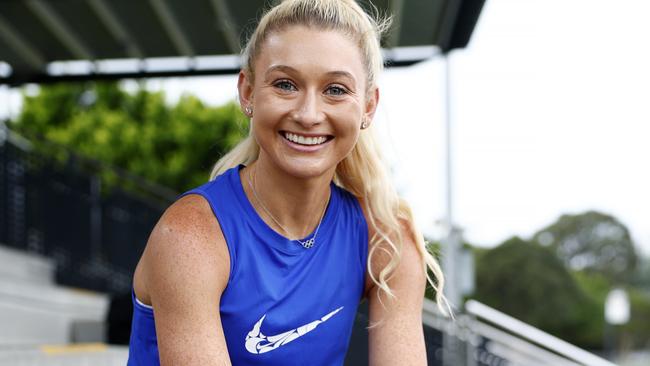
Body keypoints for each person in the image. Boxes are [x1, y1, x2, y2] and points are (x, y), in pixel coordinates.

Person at [127, 0, 447, 364]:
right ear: (248, 92)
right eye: (285, 84)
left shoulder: (386, 238)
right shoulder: (191, 237)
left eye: (336, 90)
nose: (309, 114)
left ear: (368, 107)